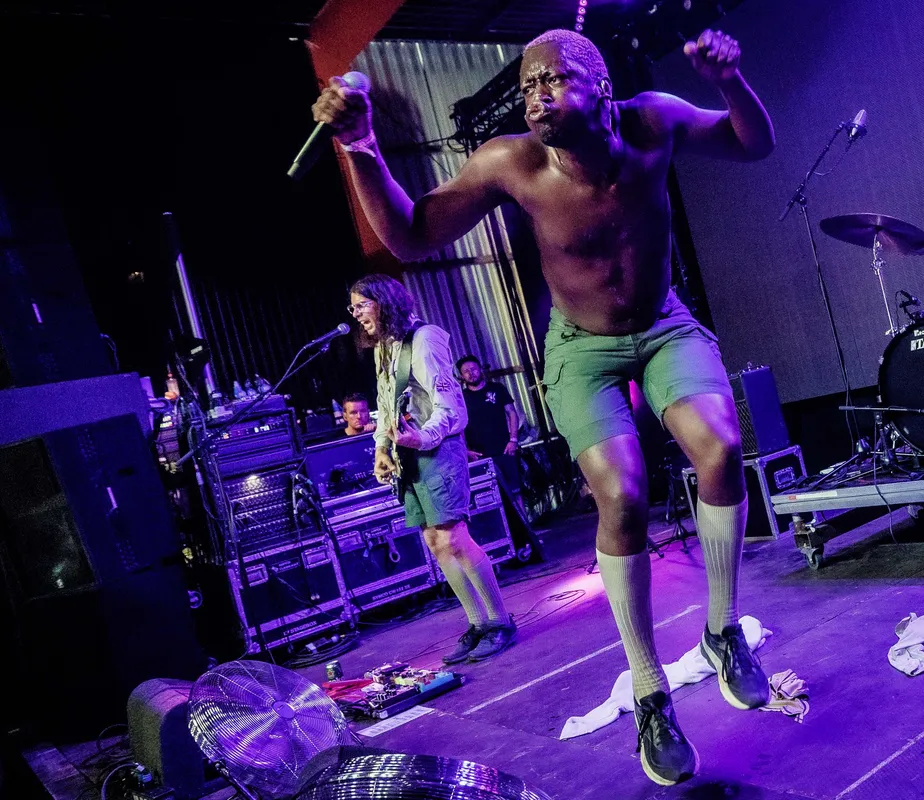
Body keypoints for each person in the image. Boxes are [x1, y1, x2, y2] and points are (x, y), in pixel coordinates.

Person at [314, 28, 774, 785]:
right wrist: (361, 146)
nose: (535, 96)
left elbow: (751, 142)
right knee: (621, 494)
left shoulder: (653, 121)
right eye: (527, 85)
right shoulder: (513, 163)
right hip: (579, 347)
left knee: (721, 446)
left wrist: (730, 79)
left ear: (601, 85)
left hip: (663, 325)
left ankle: (723, 632)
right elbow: (412, 236)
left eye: (553, 79)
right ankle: (650, 691)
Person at [349, 274, 516, 664]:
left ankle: (500, 621)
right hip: (409, 452)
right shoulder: (384, 348)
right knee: (434, 541)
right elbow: (386, 404)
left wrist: (421, 439)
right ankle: (478, 623)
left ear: (384, 301)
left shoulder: (425, 340)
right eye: (352, 307)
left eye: (361, 305)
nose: (356, 314)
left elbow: (451, 408)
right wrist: (382, 447)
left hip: (438, 448)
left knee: (454, 537)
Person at [457, 355, 522, 494]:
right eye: (466, 371)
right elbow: (458, 427)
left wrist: (513, 440)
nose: (471, 373)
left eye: (473, 369)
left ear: (480, 369)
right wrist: (465, 451)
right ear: (462, 376)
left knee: (515, 492)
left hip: (504, 449)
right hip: (478, 455)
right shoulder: (460, 398)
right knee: (489, 495)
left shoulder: (497, 389)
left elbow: (512, 413)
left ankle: (520, 510)